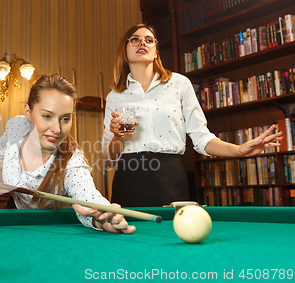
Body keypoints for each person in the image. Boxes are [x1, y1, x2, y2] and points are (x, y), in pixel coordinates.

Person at [102, 24, 283, 207]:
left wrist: (238, 150)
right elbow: (110, 159)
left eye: (149, 40)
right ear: (124, 51)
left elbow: (201, 138)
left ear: (156, 51)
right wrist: (118, 136)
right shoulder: (115, 97)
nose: (143, 43)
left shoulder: (179, 84)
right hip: (129, 178)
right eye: (135, 39)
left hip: (170, 177)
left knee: (174, 234)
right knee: (129, 235)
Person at [0, 74, 134, 234]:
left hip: (50, 226)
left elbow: (86, 193)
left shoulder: (72, 160)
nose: (57, 129)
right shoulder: (17, 127)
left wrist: (101, 216)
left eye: (65, 119)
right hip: (14, 213)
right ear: (28, 112)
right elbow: (0, 148)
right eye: (47, 116)